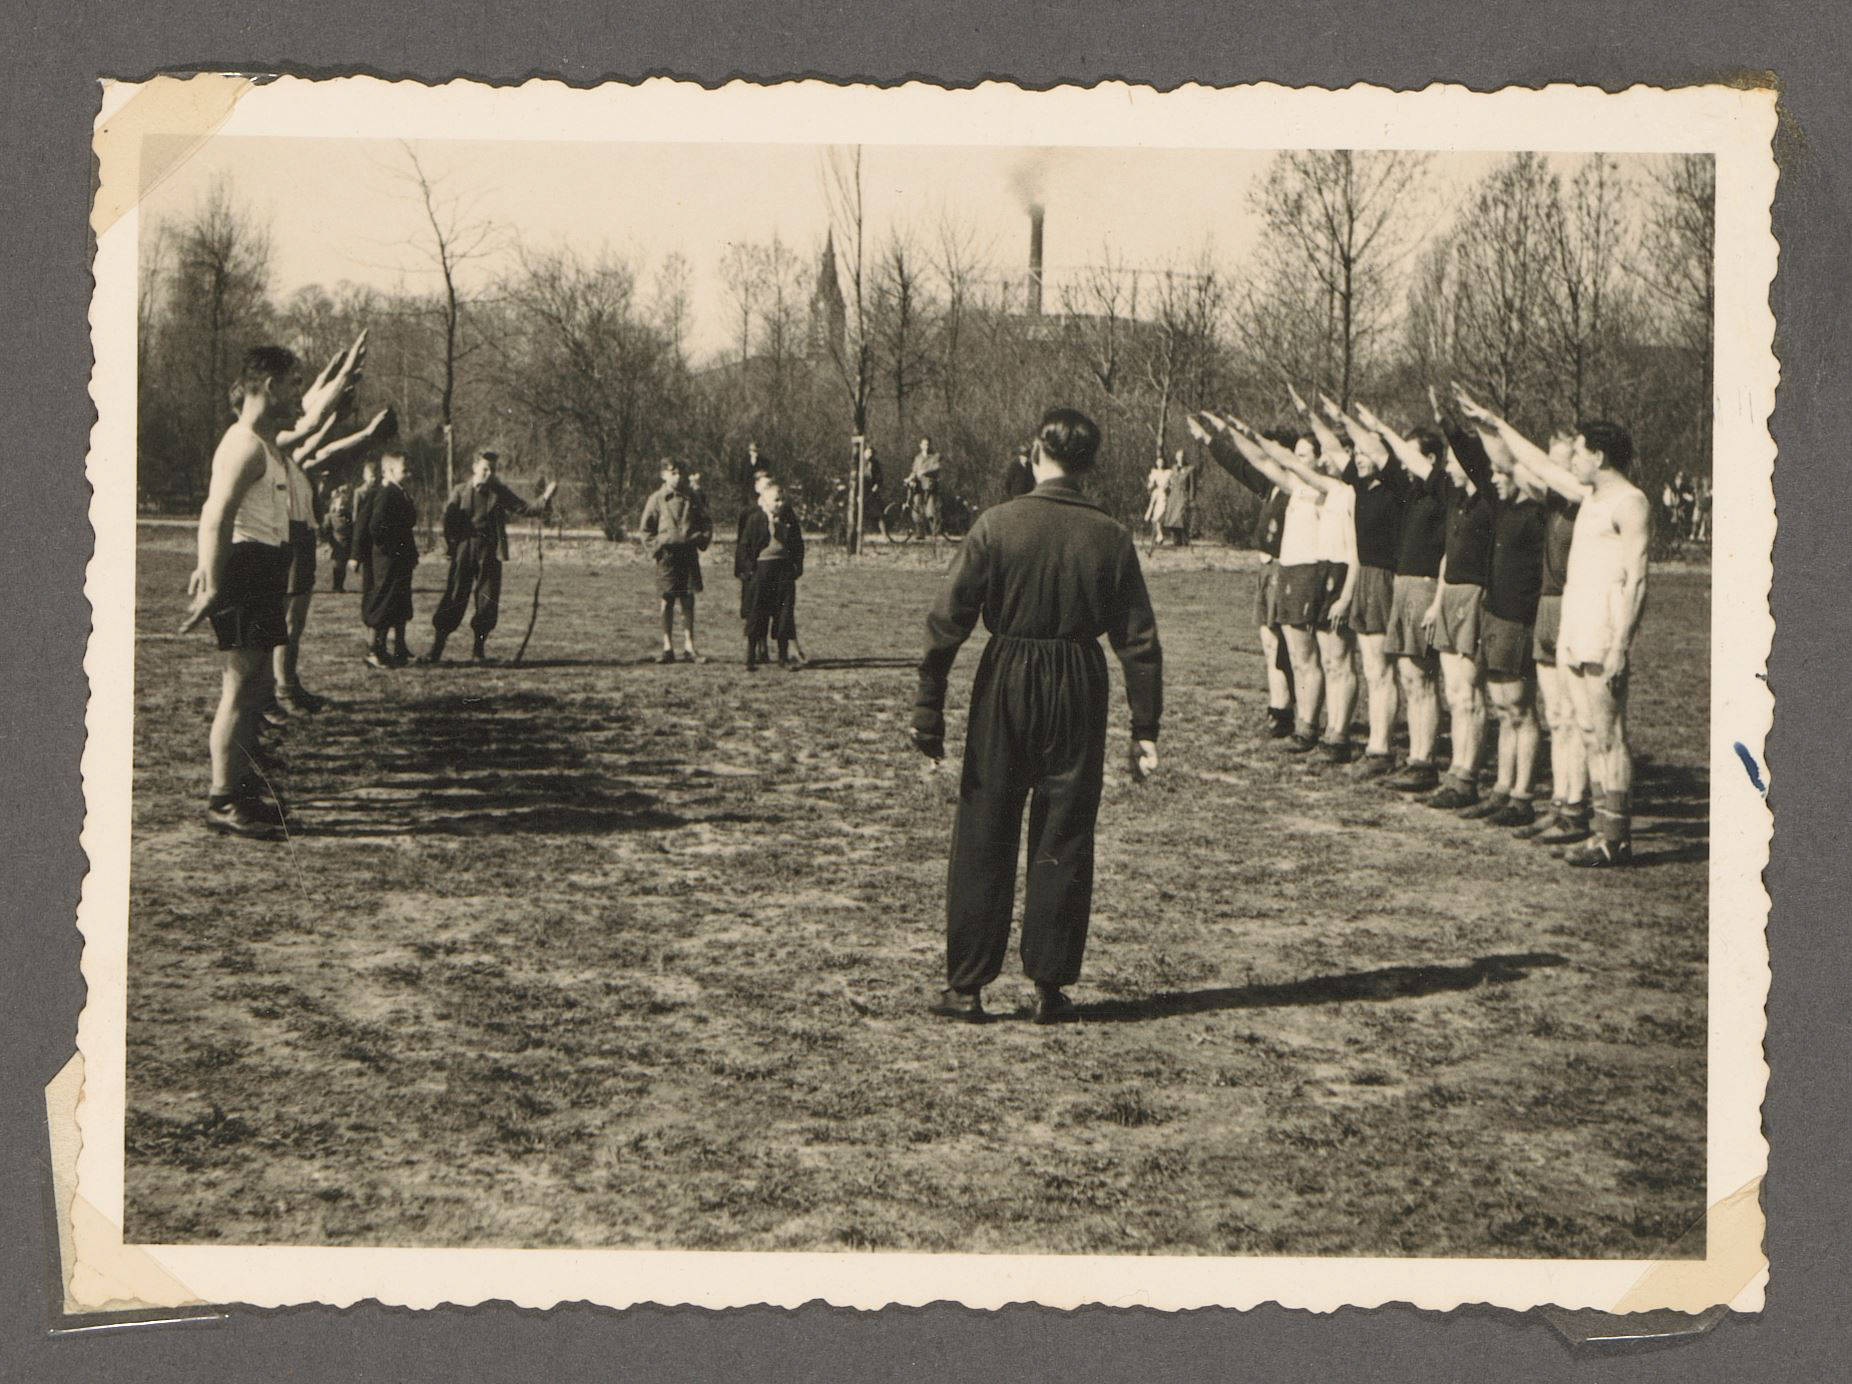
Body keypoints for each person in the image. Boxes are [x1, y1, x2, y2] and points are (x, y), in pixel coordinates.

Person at [915, 406, 1161, 1024]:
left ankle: (967, 987)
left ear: (1034, 453)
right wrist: (1145, 728)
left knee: (984, 827)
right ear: (1089, 466)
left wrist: (928, 706)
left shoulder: (997, 525)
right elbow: (1138, 639)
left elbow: (947, 621)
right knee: (1065, 832)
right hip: (1080, 682)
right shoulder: (1112, 537)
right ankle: (1050, 987)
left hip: (1007, 679)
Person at [1457, 389, 1651, 867]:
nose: (1575, 460)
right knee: (1586, 728)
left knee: (1609, 731)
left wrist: (1621, 646)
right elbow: (1539, 464)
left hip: (1605, 627)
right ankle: (1600, 829)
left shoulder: (1631, 502)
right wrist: (1495, 424)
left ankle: (1615, 836)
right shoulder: (1587, 495)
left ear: (1599, 455)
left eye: (1581, 452)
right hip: (1574, 624)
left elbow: (1639, 579)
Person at [176, 345, 302, 840]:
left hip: (263, 567)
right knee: (241, 684)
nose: (300, 397)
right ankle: (222, 798)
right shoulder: (244, 444)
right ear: (269, 386)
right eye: (294, 384)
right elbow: (216, 514)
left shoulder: (264, 444)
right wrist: (210, 579)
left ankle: (242, 788)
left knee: (254, 688)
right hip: (244, 568)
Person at [1353, 405, 1449, 793]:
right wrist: (1363, 429)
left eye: (1412, 456)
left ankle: (1424, 762)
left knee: (1422, 679)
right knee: (1410, 676)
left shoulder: (1442, 489)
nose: (1404, 464)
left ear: (1429, 459)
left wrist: (1379, 427)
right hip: (1405, 586)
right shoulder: (1410, 491)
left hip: (1426, 587)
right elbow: (1382, 459)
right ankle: (1414, 758)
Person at [1455, 441, 1548, 828]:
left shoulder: (1537, 513)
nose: (1493, 478)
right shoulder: (1503, 508)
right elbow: (1475, 464)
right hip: (1494, 616)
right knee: (1502, 708)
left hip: (1516, 621)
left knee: (1519, 709)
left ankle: (1522, 796)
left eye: (1500, 473)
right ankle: (1502, 790)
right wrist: (1461, 428)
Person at [1416, 397, 1498, 808]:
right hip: (1450, 597)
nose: (1448, 466)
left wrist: (1448, 424)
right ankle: (1456, 774)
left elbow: (1470, 455)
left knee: (1469, 692)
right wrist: (1437, 600)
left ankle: (1468, 776)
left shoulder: (1487, 498)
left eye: (1453, 461)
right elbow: (1449, 553)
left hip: (1475, 599)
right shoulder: (1456, 499)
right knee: (1453, 691)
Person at [1194, 412, 1294, 738]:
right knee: (1269, 640)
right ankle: (1278, 707)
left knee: (1283, 643)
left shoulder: (1296, 487)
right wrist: (1210, 440)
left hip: (1285, 569)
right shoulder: (1271, 486)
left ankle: (1287, 711)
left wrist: (1226, 430)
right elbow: (1238, 465)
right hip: (1267, 569)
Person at [424, 449, 556, 664]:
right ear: (474, 467)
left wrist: (545, 498)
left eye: (492, 470)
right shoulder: (459, 491)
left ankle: (478, 651)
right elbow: (448, 523)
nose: (488, 473)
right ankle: (435, 650)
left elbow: (524, 508)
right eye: (485, 469)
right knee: (455, 597)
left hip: (490, 552)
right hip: (464, 550)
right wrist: (451, 547)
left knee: (487, 601)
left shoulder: (499, 492)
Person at [1335, 400, 1409, 779]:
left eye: (1365, 453)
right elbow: (1337, 455)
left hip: (1383, 579)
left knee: (1381, 671)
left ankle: (1381, 748)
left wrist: (1358, 424)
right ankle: (1375, 745)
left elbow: (1381, 453)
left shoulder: (1396, 490)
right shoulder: (1360, 489)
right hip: (1363, 577)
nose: (1358, 459)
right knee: (1370, 668)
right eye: (1356, 453)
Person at [639, 458, 712, 664]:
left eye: (680, 472)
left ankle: (689, 647)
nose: (677, 476)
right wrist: (657, 547)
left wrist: (701, 539)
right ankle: (667, 647)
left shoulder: (693, 498)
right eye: (672, 472)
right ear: (663, 474)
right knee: (667, 600)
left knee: (688, 600)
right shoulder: (657, 499)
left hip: (688, 554)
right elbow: (645, 530)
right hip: (668, 557)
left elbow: (706, 521)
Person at [355, 447, 419, 668]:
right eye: (405, 469)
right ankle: (375, 651)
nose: (409, 472)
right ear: (389, 470)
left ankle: (396, 649)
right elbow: (376, 526)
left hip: (400, 558)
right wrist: (392, 549)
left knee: (399, 603)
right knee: (384, 602)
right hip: (388, 559)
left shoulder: (399, 491)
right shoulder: (386, 493)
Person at [737, 479, 807, 669]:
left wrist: (796, 567)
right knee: (757, 612)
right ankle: (751, 656)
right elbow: (745, 547)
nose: (780, 503)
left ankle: (783, 657)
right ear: (765, 502)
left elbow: (798, 545)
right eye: (776, 500)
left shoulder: (789, 521)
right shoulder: (755, 520)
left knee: (784, 613)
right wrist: (749, 570)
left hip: (783, 571)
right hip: (762, 571)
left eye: (782, 500)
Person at [735, 463, 776, 661]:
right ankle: (753, 645)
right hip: (751, 567)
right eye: (764, 485)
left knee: (768, 606)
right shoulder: (749, 512)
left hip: (769, 568)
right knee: (752, 607)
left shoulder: (778, 509)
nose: (767, 489)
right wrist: (742, 568)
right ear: (756, 487)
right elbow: (741, 543)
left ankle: (764, 646)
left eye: (771, 485)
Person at [906, 435, 944, 536]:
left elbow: (937, 467)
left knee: (930, 512)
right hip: (918, 486)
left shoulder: (935, 456)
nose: (926, 446)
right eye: (924, 444)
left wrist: (924, 471)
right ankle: (920, 533)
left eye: (928, 444)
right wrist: (909, 478)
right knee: (916, 509)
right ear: (920, 445)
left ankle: (935, 533)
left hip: (930, 486)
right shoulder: (918, 458)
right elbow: (914, 471)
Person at [322, 480, 355, 593]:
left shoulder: (348, 516)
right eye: (339, 505)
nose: (341, 507)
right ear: (334, 505)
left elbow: (352, 528)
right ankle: (336, 586)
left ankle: (340, 586)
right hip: (336, 544)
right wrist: (328, 543)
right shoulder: (331, 517)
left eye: (343, 505)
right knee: (338, 566)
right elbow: (326, 530)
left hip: (346, 544)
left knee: (343, 565)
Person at [1160, 445, 1195, 546]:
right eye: (1179, 456)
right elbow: (1169, 481)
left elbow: (1193, 485)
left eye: (1183, 456)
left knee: (1181, 517)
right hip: (1173, 495)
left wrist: (1191, 498)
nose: (1181, 458)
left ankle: (1185, 539)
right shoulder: (1173, 468)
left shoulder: (1190, 469)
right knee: (1172, 519)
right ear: (1176, 457)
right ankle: (1176, 540)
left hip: (1183, 495)